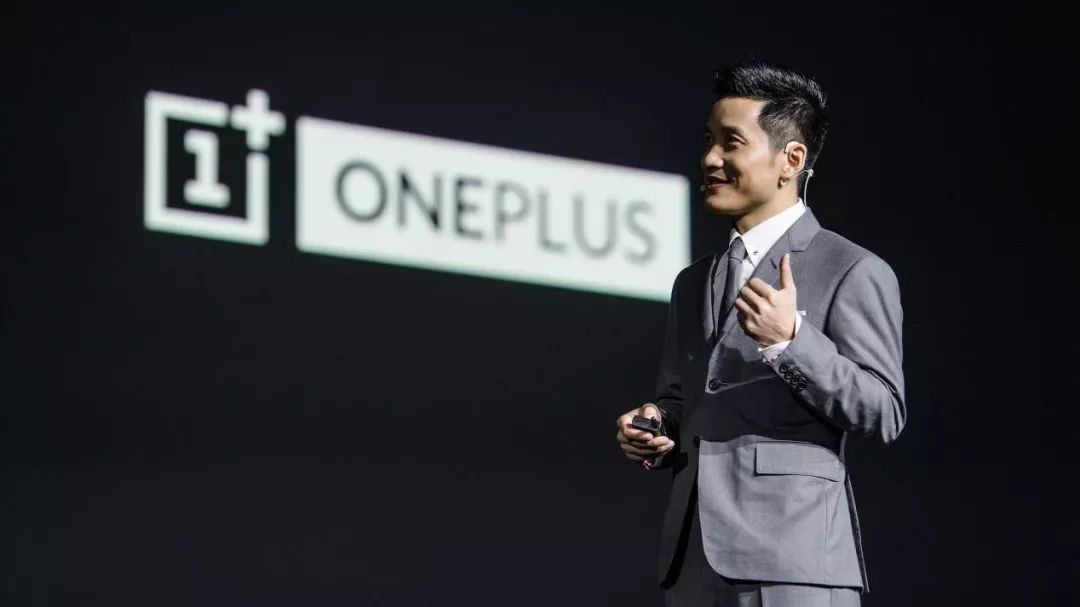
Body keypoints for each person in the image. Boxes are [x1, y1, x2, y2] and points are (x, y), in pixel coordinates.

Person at [614, 60, 906, 607]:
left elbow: (884, 410)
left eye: (731, 143)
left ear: (791, 160)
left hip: (793, 560)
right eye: (708, 140)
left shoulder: (852, 269)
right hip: (693, 561)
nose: (710, 159)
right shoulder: (693, 280)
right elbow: (682, 399)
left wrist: (791, 339)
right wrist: (656, 425)